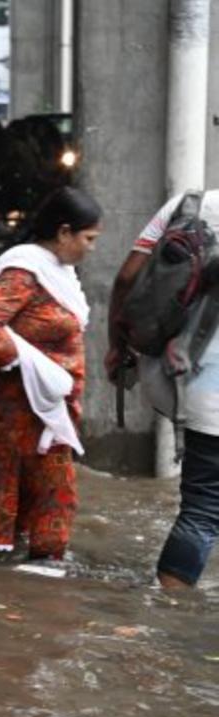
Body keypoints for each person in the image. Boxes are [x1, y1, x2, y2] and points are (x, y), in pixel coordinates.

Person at [0, 187, 103, 561]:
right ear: (64, 233)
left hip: (46, 405)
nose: (92, 248)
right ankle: (47, 579)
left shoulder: (58, 272)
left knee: (26, 491)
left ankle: (13, 581)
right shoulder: (23, 272)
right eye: (89, 239)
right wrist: (35, 367)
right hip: (25, 407)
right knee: (56, 493)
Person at [107, 190, 219, 587]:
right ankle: (171, 609)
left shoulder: (191, 203)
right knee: (204, 510)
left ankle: (169, 611)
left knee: (201, 507)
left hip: (179, 380)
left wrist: (117, 345)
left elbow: (127, 277)